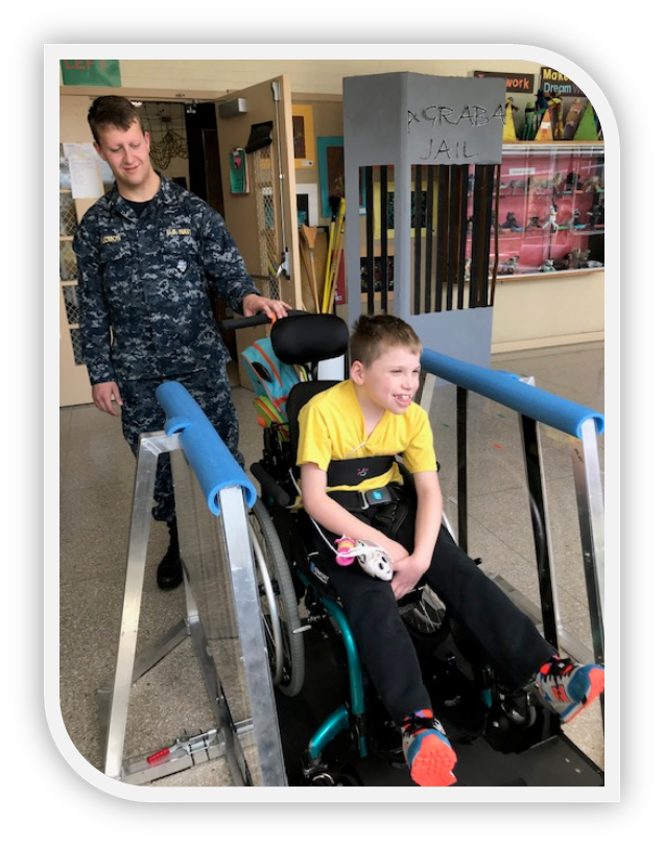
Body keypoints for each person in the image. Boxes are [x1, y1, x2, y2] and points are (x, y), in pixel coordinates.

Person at [296, 313, 605, 787]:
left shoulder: (412, 418)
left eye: (415, 372)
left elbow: (429, 492)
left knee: (458, 569)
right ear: (359, 372)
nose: (409, 385)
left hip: (390, 504)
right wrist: (381, 547)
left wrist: (419, 557)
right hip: (336, 516)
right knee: (373, 595)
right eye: (396, 372)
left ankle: (547, 671)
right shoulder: (322, 411)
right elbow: (315, 499)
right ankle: (417, 724)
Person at [73, 95, 291, 591]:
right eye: (115, 149)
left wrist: (252, 301)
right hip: (137, 375)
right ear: (100, 151)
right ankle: (177, 540)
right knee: (164, 473)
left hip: (200, 368)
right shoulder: (96, 227)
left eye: (133, 144)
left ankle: (242, 544)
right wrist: (100, 373)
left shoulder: (193, 212)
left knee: (222, 457)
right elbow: (92, 307)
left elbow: (229, 276)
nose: (128, 157)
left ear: (146, 139)